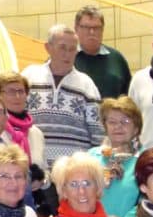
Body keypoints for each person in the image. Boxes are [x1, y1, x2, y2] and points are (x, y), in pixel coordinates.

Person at [22, 24, 104, 168]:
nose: (67, 54)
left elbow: (98, 133)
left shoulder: (87, 84)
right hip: (34, 168)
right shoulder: (28, 76)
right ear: (48, 47)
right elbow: (15, 120)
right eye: (62, 47)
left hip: (73, 170)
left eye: (72, 49)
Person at [0, 72, 52, 217]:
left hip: (33, 207)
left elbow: (46, 173)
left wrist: (42, 180)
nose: (17, 96)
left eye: (21, 91)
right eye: (11, 92)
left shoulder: (36, 133)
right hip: (0, 207)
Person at [88, 96, 142, 217]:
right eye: (112, 122)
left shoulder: (145, 160)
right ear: (105, 126)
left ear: (136, 128)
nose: (118, 126)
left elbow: (147, 202)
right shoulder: (90, 157)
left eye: (125, 121)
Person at [73, 5, 132, 99]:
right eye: (86, 27)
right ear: (76, 28)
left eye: (96, 27)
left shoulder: (116, 58)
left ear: (102, 29)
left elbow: (127, 95)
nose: (92, 32)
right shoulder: (67, 58)